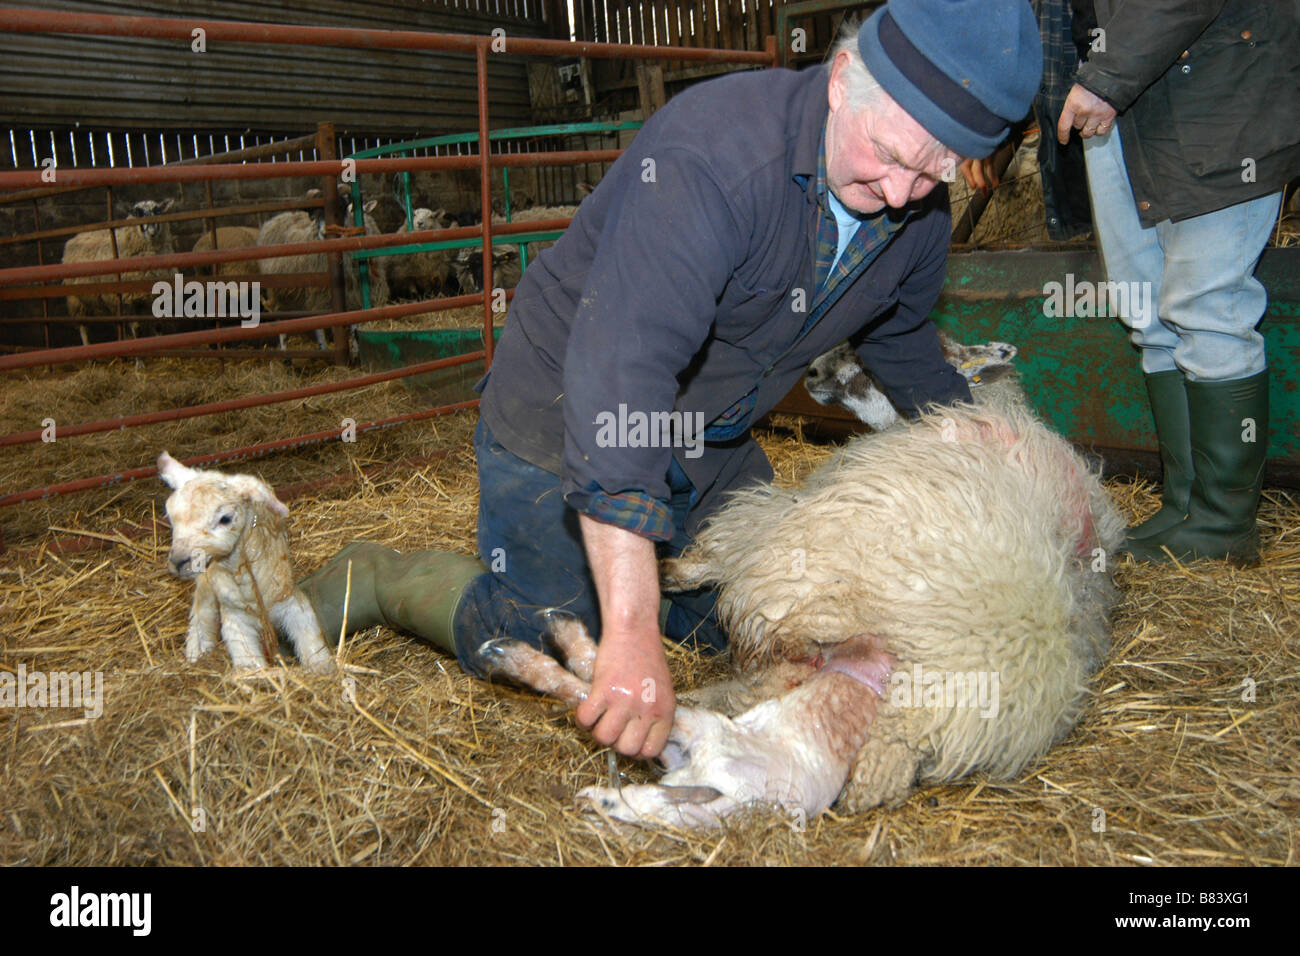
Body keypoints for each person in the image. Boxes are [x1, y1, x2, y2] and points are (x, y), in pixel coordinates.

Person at [300, 0, 1042, 759]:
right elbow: (624, 368)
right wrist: (628, 627)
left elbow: (900, 331)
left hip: (705, 433)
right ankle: (385, 580)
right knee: (568, 651)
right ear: (841, 78)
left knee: (769, 631)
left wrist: (970, 431)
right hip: (567, 409)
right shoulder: (717, 155)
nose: (898, 193)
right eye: (888, 154)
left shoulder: (914, 214)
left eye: (932, 171)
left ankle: (649, 577)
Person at [1058, 0, 1299, 565]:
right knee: (1147, 309)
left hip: (1219, 84)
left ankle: (1223, 522)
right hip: (1123, 93)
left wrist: (1107, 75)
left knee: (1207, 304)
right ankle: (1184, 501)